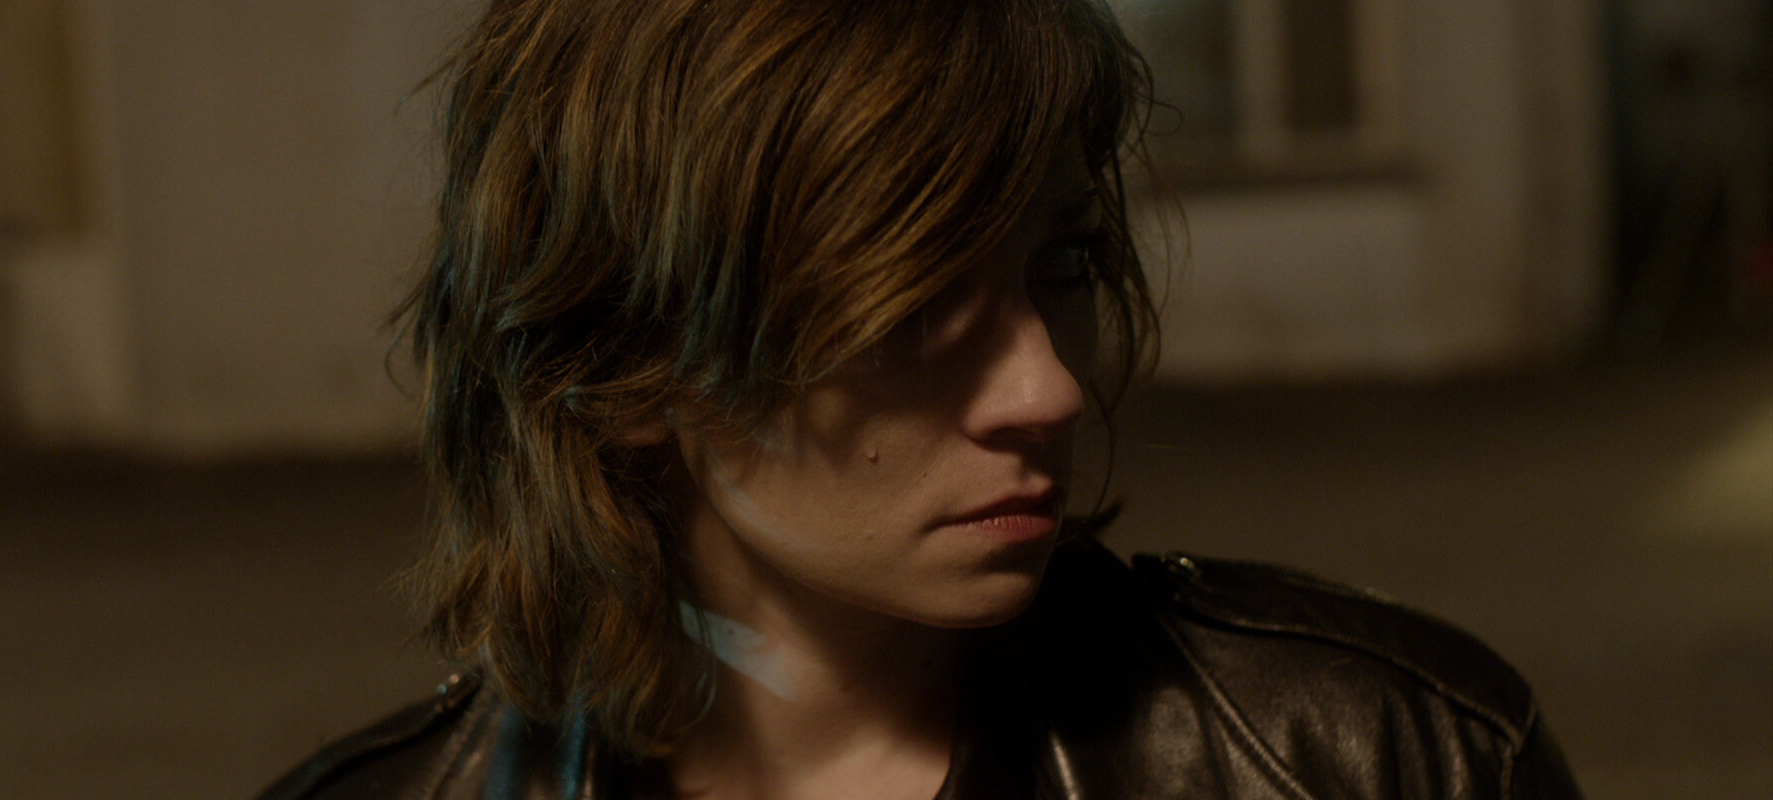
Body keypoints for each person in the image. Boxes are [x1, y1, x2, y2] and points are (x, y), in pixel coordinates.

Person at [260, 0, 1583, 797]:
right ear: (624, 362)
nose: (1047, 387)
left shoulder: (1378, 758)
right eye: (908, 311)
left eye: (1063, 267)